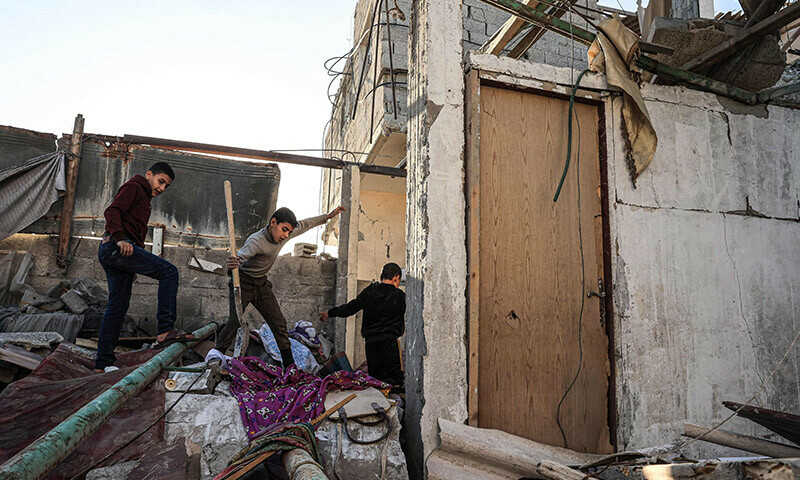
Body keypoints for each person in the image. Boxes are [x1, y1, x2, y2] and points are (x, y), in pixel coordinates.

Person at [206, 206, 345, 368]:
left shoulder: (284, 234)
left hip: (261, 284)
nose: (286, 235)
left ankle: (290, 366)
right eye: (284, 230)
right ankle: (215, 356)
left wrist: (327, 217)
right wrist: (231, 266)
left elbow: (305, 224)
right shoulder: (256, 241)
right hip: (243, 283)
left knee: (279, 323)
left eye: (289, 232)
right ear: (273, 223)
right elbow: (239, 260)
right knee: (235, 320)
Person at [95, 162, 192, 373]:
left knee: (117, 307)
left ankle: (102, 364)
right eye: (160, 181)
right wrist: (120, 239)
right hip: (116, 247)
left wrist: (131, 265)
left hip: (116, 251)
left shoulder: (144, 198)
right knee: (169, 272)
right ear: (149, 175)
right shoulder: (135, 187)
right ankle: (165, 330)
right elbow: (112, 211)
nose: (162, 188)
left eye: (166, 186)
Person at [319, 262, 405, 389]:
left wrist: (329, 313)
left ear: (381, 276)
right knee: (394, 380)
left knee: (375, 381)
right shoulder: (399, 296)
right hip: (389, 343)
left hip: (371, 344)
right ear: (396, 278)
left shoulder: (370, 292)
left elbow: (350, 308)